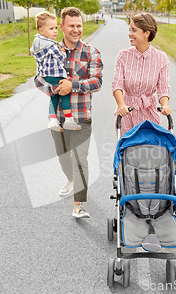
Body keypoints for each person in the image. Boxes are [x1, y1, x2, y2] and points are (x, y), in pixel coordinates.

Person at [34, 7, 103, 218]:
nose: (76, 30)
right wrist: (52, 89)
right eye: (71, 25)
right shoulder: (49, 49)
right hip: (58, 118)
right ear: (61, 27)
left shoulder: (91, 52)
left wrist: (71, 85)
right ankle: (71, 179)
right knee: (63, 156)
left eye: (79, 25)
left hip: (81, 117)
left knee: (80, 160)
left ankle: (79, 204)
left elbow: (97, 82)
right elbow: (38, 78)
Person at [112, 13, 172, 136]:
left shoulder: (161, 58)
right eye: (130, 29)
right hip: (127, 112)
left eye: (134, 30)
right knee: (128, 151)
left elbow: (163, 88)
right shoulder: (123, 56)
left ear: (147, 33)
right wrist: (121, 105)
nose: (130, 33)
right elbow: (117, 85)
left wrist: (165, 106)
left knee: (150, 151)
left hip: (149, 112)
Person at [31, 11, 81, 132]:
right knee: (64, 94)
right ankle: (69, 120)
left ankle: (53, 121)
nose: (55, 31)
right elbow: (61, 58)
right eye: (51, 28)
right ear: (41, 31)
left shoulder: (36, 43)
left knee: (53, 98)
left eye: (56, 28)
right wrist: (63, 52)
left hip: (45, 75)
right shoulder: (52, 45)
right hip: (55, 75)